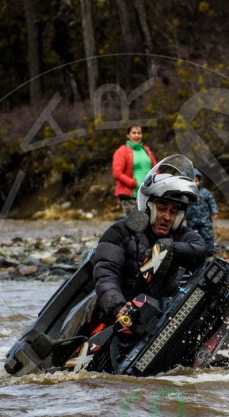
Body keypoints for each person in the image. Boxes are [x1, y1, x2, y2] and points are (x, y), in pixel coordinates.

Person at [93, 154, 207, 323]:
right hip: (122, 316)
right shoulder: (121, 231)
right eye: (162, 208)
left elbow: (200, 248)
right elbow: (106, 273)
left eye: (173, 212)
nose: (167, 217)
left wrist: (170, 249)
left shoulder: (180, 234)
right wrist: (117, 307)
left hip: (162, 315)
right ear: (149, 207)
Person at [111, 124, 157, 216]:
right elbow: (117, 173)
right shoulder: (121, 151)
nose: (137, 135)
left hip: (147, 194)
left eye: (139, 133)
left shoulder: (146, 150)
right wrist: (133, 183)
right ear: (128, 135)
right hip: (130, 195)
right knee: (134, 225)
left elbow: (155, 168)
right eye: (134, 133)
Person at [185, 169, 219, 255]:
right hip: (191, 220)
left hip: (205, 220)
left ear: (199, 181)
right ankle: (194, 252)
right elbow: (183, 205)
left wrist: (214, 211)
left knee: (207, 236)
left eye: (196, 180)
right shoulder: (187, 193)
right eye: (192, 180)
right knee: (191, 236)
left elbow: (211, 202)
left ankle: (210, 251)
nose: (194, 183)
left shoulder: (205, 192)